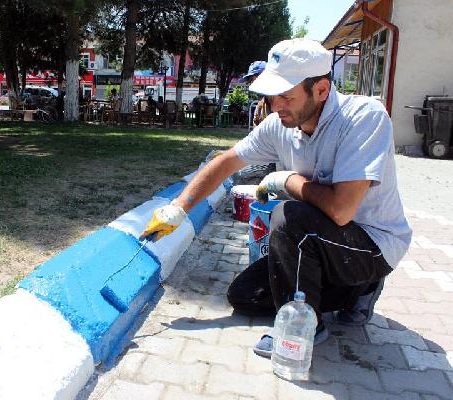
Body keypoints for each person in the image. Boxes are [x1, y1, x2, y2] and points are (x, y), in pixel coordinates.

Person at [140, 38, 412, 358]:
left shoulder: (363, 117)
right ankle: (353, 293)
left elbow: (341, 211)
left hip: (371, 244)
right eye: (272, 95)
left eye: (287, 96)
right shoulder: (280, 124)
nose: (276, 104)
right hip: (320, 242)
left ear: (321, 90)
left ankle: (305, 326)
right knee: (244, 296)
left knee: (288, 216)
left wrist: (288, 179)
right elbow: (226, 161)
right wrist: (178, 209)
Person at [240, 61, 271, 127]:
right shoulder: (260, 106)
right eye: (249, 81)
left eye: (252, 80)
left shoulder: (286, 101)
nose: (251, 84)